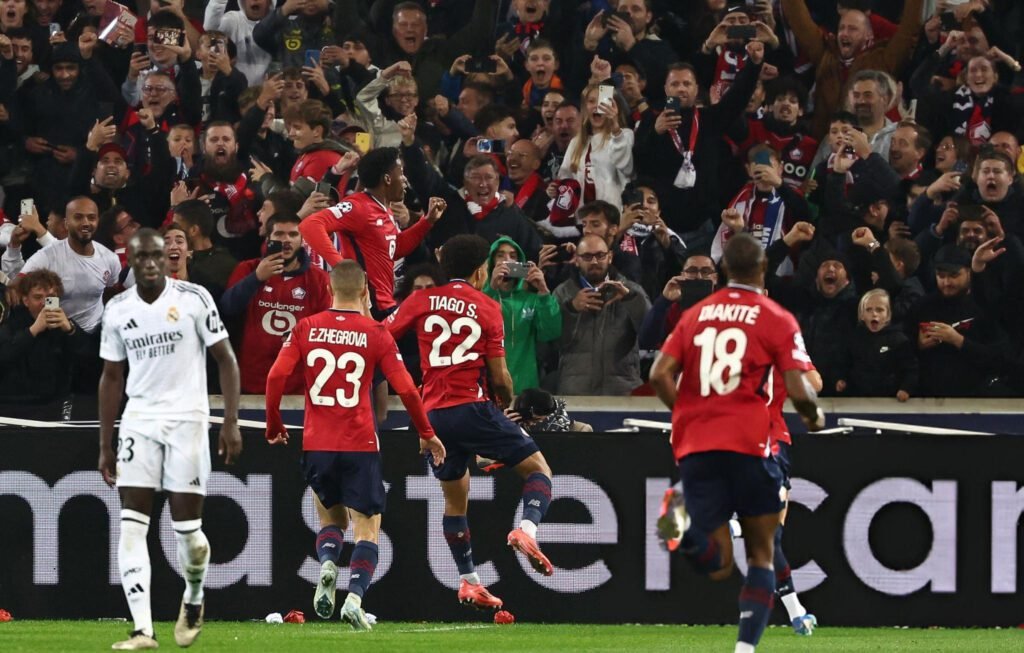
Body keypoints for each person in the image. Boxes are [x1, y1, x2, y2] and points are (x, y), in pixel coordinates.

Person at [649, 233, 824, 653]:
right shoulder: (775, 317)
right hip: (754, 440)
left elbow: (657, 374)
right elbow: (805, 387)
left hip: (697, 443)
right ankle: (745, 649)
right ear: (764, 270)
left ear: (722, 270)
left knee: (714, 560)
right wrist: (813, 416)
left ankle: (681, 505)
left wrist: (686, 413)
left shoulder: (696, 314)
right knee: (764, 547)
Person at [264, 260, 446, 631]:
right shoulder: (376, 332)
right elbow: (408, 389)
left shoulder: (306, 327)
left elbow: (276, 376)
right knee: (368, 525)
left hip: (317, 443)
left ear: (330, 289)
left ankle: (329, 561)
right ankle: (356, 597)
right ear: (365, 291)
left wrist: (274, 421)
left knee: (330, 519)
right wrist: (426, 432)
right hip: (359, 443)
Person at [386, 234, 556, 610]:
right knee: (538, 470)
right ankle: (525, 530)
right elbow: (500, 378)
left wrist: (405, 384)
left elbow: (381, 338)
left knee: (455, 500)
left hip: (432, 417)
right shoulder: (487, 307)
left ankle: (469, 581)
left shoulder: (420, 299)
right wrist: (504, 405)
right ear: (481, 271)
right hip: (472, 408)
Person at [97, 228, 242, 650]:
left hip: (188, 421)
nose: (148, 263)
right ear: (132, 261)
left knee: (188, 533)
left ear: (167, 258)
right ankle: (143, 629)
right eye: (140, 256)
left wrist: (230, 421)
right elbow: (111, 376)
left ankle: (194, 596)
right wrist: (105, 442)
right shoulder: (118, 309)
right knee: (130, 525)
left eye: (155, 256)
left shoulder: (194, 299)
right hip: (139, 420)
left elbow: (226, 359)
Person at [299, 146, 445, 316]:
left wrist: (427, 222)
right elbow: (310, 225)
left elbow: (395, 249)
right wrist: (342, 266)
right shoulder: (359, 206)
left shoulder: (384, 209)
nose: (405, 180)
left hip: (384, 303)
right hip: (369, 306)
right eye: (401, 172)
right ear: (388, 179)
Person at [220, 212, 331, 394]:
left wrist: (301, 337)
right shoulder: (248, 269)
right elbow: (227, 308)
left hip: (297, 387)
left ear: (302, 239)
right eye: (279, 234)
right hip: (251, 383)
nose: (286, 240)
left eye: (293, 235)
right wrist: (256, 278)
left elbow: (328, 329)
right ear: (268, 237)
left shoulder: (319, 279)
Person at [552, 234, 651, 395]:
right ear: (576, 259)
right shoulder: (562, 293)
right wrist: (571, 309)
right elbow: (551, 342)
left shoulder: (631, 290)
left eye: (600, 255)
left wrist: (630, 299)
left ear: (610, 257)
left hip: (622, 392)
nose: (594, 262)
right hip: (575, 393)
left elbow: (651, 334)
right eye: (587, 256)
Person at [484, 236, 561, 392]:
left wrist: (544, 292)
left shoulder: (532, 300)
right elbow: (477, 326)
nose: (508, 260)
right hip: (488, 387)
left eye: (513, 256)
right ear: (492, 262)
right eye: (501, 255)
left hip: (525, 387)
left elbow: (550, 333)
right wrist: (491, 289)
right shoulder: (482, 298)